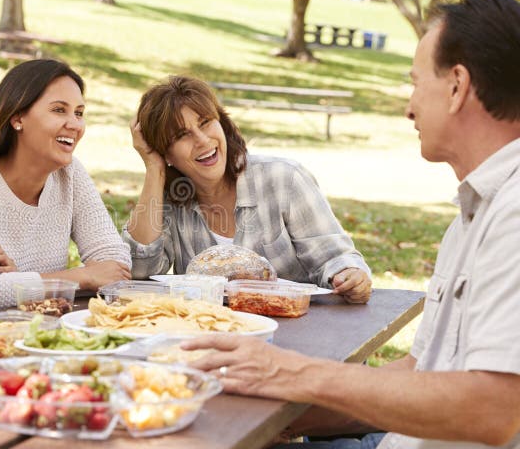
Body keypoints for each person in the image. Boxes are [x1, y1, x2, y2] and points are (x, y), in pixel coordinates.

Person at [183, 0, 520, 449]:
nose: (408, 108)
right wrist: (284, 418)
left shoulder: (513, 215)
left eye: (415, 83)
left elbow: (493, 410)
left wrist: (292, 373)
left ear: (457, 86)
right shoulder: (476, 213)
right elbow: (418, 373)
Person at [124, 75, 371, 302]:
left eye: (206, 122)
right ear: (165, 152)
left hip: (293, 328)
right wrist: (154, 168)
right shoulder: (166, 200)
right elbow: (139, 271)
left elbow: (334, 257)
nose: (202, 140)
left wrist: (349, 274)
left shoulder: (284, 178)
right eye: (181, 135)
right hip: (210, 333)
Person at [0, 59, 131, 311]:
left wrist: (18, 281)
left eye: (79, 113)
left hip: (45, 332)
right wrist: (82, 276)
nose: (75, 124)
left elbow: (115, 265)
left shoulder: (69, 174)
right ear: (17, 118)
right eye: (59, 110)